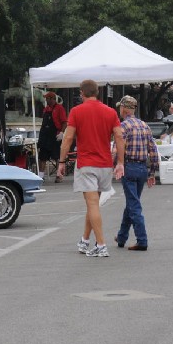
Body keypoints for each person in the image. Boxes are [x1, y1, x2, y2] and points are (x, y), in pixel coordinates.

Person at [57, 80, 125, 257]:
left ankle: (101, 245)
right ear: (97, 92)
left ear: (82, 93)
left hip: (87, 163)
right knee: (93, 204)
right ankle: (85, 240)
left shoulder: (76, 111)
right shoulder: (110, 112)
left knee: (92, 203)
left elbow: (68, 138)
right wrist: (120, 162)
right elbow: (119, 136)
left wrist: (62, 161)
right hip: (104, 165)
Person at [112, 96, 158, 251]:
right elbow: (153, 150)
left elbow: (117, 149)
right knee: (132, 203)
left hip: (129, 167)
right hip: (142, 169)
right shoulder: (145, 125)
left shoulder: (123, 126)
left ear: (124, 109)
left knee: (134, 205)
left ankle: (142, 240)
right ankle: (122, 237)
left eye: (120, 107)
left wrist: (115, 164)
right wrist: (152, 173)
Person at [37, 91, 67, 182]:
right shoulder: (46, 109)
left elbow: (64, 122)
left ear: (53, 99)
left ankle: (59, 176)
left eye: (48, 98)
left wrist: (62, 132)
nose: (46, 100)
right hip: (45, 135)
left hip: (55, 135)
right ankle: (40, 176)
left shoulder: (59, 108)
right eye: (46, 98)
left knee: (57, 156)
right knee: (42, 157)